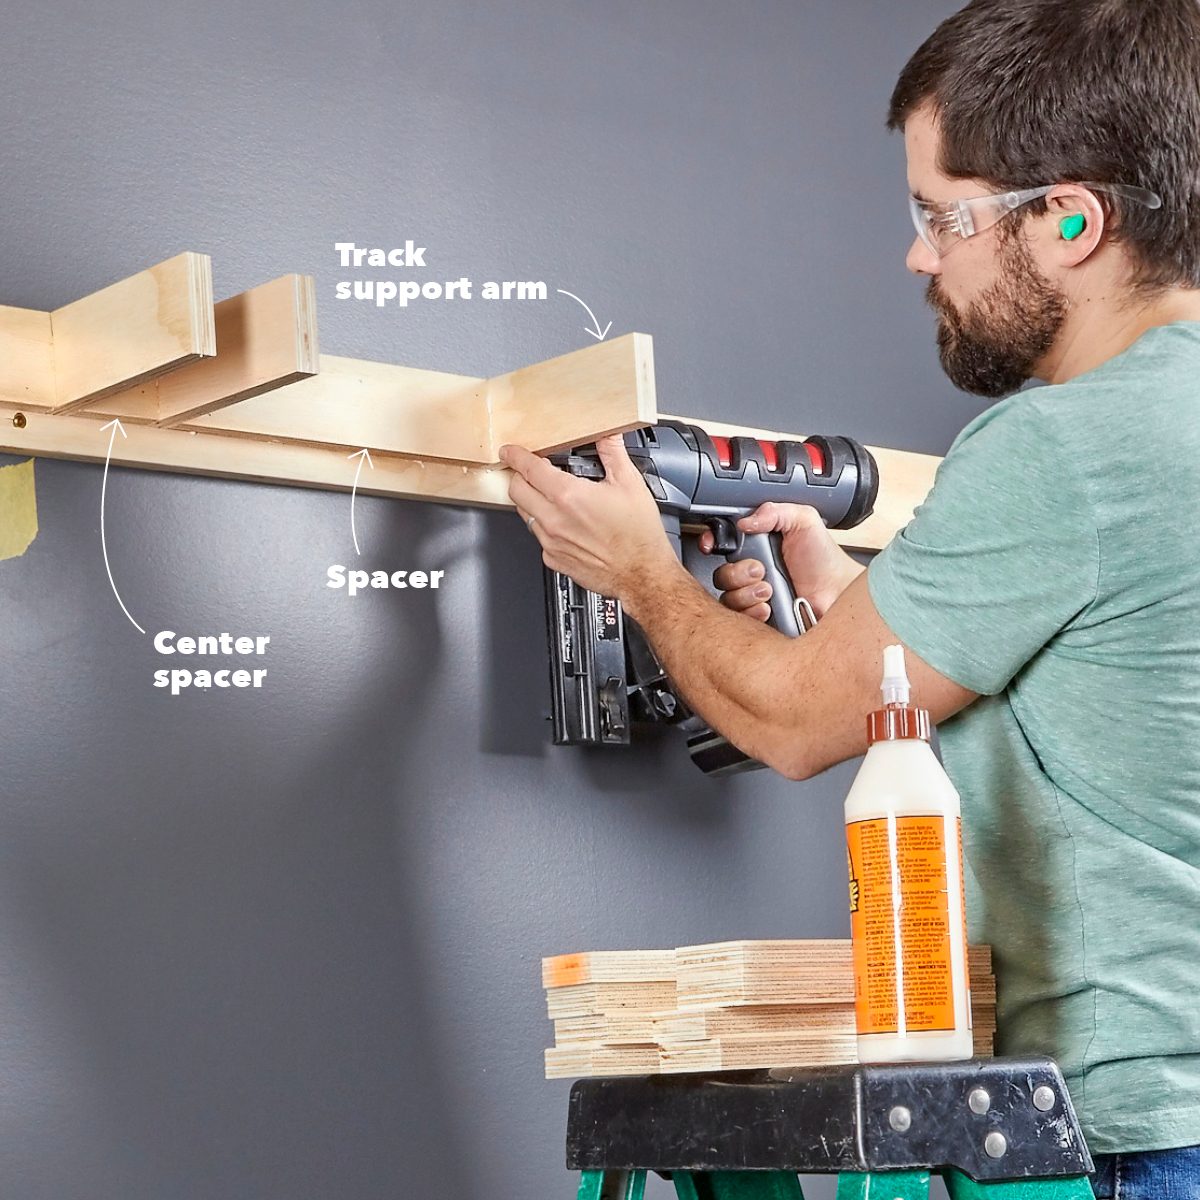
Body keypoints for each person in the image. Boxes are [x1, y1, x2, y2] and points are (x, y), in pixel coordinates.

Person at [500, 1, 1200, 1195]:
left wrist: (639, 575)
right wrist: (862, 622)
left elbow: (787, 723)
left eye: (943, 215)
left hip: (1121, 1134)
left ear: (1072, 220)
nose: (920, 256)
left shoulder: (1066, 446)